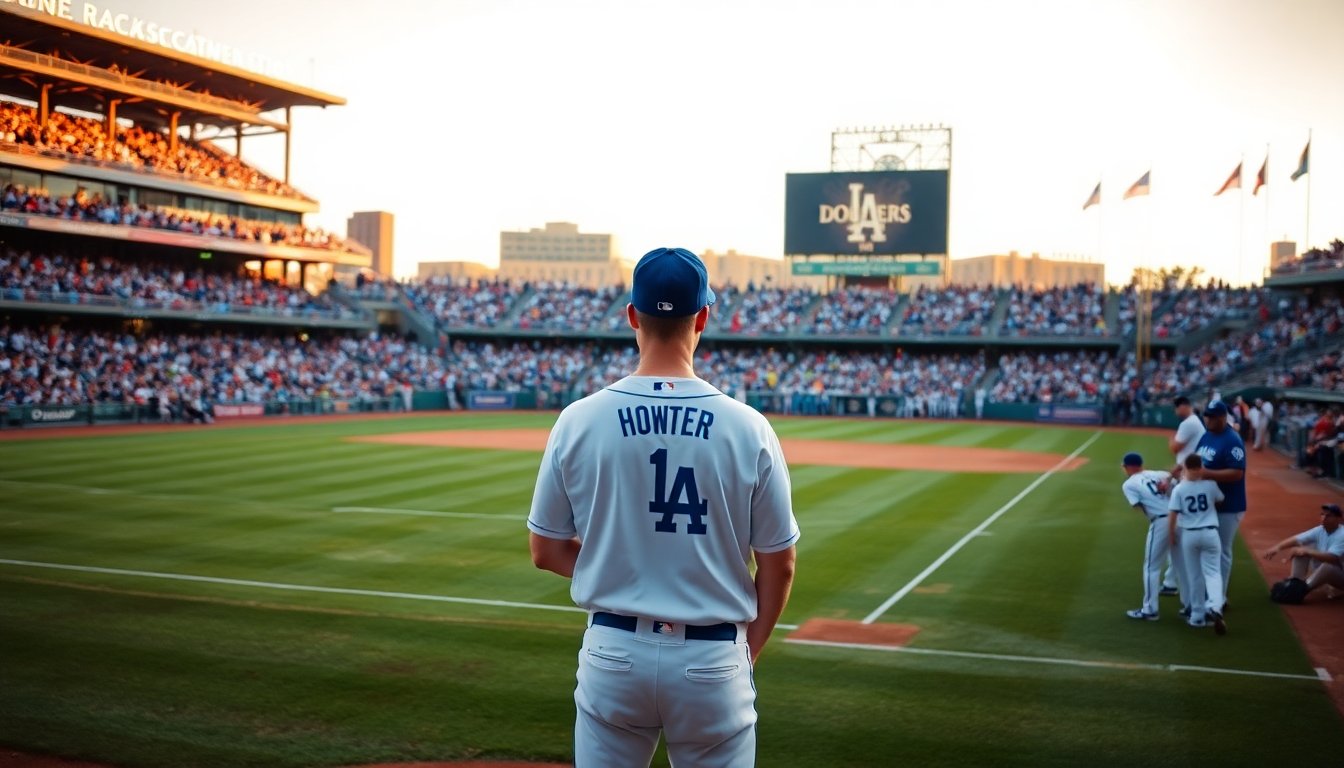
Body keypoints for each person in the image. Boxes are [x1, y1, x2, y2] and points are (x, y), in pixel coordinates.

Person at [527, 246, 800, 768]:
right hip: (712, 657)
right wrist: (746, 655)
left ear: (632, 315)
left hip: (613, 653)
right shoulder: (748, 426)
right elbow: (779, 563)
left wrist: (619, 566)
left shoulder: (578, 419)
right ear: (703, 317)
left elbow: (545, 550)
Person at [1191, 400, 1247, 602]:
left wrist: (1207, 474)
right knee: (1206, 550)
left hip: (1229, 505)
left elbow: (1237, 473)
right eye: (1207, 415)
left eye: (1212, 416)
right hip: (1209, 504)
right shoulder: (1207, 434)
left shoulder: (1233, 440)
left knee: (1222, 550)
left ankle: (1219, 598)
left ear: (1223, 417)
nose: (1208, 419)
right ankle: (1210, 591)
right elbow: (1195, 460)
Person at [1168, 454, 1227, 634]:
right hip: (1210, 532)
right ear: (1201, 467)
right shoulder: (1210, 485)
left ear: (1185, 468)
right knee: (1213, 573)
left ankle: (1197, 617)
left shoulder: (1179, 489)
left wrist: (1171, 534)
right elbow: (1221, 499)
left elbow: (1173, 514)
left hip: (1189, 535)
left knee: (1195, 576)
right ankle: (1216, 606)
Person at [1119, 452, 1177, 620]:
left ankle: (1150, 610)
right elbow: (1178, 482)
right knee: (1182, 564)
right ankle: (1193, 609)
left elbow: (1139, 506)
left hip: (1161, 522)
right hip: (1180, 519)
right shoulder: (1160, 474)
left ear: (1128, 467)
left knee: (1151, 567)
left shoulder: (1129, 484)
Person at [1261, 504, 1344, 599]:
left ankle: (1302, 589)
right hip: (1330, 572)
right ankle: (1295, 581)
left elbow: (1332, 558)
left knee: (1327, 564)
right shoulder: (1320, 530)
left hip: (1340, 576)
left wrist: (1307, 551)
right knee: (1303, 547)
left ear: (1339, 519)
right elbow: (1296, 539)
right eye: (1322, 515)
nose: (1324, 518)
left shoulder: (1342, 534)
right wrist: (1278, 547)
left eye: (1328, 516)